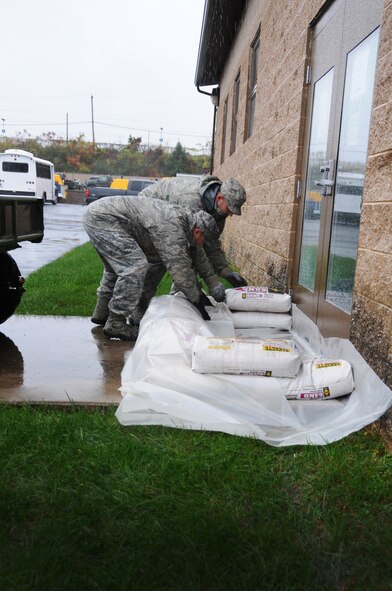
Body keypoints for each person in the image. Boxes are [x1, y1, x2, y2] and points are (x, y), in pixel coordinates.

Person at [83, 194, 220, 341]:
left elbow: (193, 256)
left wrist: (204, 287)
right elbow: (180, 271)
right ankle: (116, 323)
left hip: (101, 214)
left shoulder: (185, 221)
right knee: (134, 266)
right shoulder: (173, 228)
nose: (202, 246)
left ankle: (101, 313)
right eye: (204, 242)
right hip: (104, 218)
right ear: (198, 232)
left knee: (115, 268)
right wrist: (196, 299)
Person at [140, 175, 248, 302]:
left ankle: (180, 298)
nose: (230, 214)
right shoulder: (190, 202)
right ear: (219, 198)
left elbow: (211, 243)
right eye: (229, 209)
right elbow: (188, 251)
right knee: (161, 260)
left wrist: (225, 270)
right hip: (150, 208)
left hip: (171, 218)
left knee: (190, 255)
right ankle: (140, 307)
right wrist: (202, 290)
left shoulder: (218, 212)